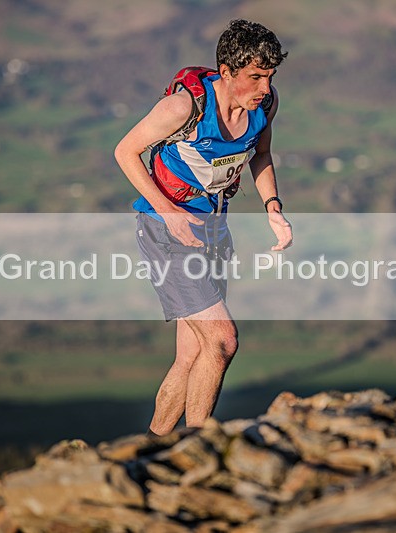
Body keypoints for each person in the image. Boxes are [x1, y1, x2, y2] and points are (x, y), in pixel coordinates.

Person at [114, 19, 292, 436]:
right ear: (227, 73)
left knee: (193, 354)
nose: (265, 88)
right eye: (255, 77)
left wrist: (273, 207)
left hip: (212, 229)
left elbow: (261, 153)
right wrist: (169, 212)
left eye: (269, 77)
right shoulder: (184, 107)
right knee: (222, 341)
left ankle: (154, 445)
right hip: (164, 229)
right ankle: (200, 448)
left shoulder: (264, 106)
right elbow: (125, 151)